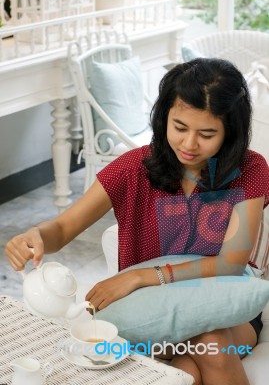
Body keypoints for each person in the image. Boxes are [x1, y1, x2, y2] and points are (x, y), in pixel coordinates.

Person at [6, 58, 269, 385]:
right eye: (180, 127)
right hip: (154, 313)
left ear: (229, 132)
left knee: (210, 343)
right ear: (164, 119)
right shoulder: (132, 168)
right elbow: (62, 228)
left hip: (225, 308)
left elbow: (231, 263)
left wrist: (143, 277)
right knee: (188, 369)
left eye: (206, 134)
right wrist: (35, 236)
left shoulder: (251, 170)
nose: (189, 144)